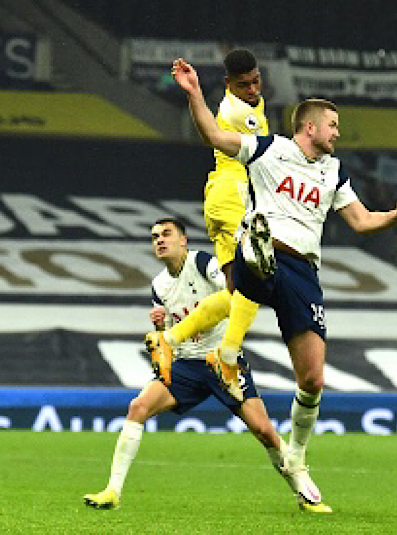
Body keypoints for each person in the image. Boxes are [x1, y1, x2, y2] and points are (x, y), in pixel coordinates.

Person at [170, 58, 397, 508]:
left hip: (303, 272)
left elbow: (362, 222)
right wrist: (194, 92)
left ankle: (297, 457)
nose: (338, 133)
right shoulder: (267, 149)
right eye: (333, 125)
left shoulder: (334, 172)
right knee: (253, 247)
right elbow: (213, 136)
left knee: (312, 379)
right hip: (263, 254)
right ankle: (231, 332)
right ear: (308, 128)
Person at [84, 218, 331, 513]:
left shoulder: (204, 263)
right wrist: (163, 325)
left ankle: (303, 494)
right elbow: (170, 334)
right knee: (138, 407)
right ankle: (112, 491)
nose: (159, 241)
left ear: (183, 240)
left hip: (221, 362)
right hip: (186, 364)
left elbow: (236, 294)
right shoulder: (158, 285)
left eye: (166, 234)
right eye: (154, 237)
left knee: (264, 430)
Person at [145, 48, 269, 403]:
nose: (252, 89)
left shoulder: (252, 104)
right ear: (229, 85)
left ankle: (169, 340)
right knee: (255, 285)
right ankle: (224, 355)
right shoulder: (237, 110)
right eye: (243, 84)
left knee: (234, 293)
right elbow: (212, 135)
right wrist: (195, 94)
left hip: (223, 197)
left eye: (255, 81)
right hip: (233, 199)